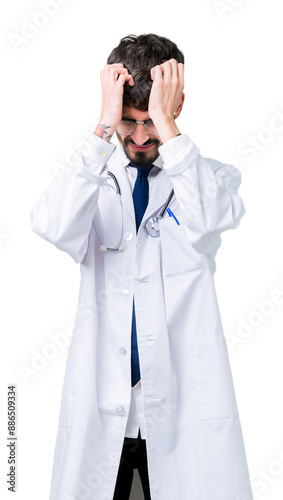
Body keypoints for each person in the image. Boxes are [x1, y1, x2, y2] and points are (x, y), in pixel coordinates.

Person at [30, 34, 254, 500]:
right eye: (127, 123)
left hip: (181, 408)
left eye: (151, 120)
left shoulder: (206, 178)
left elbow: (211, 219)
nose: (139, 137)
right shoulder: (94, 180)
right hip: (104, 404)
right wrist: (101, 128)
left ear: (176, 107)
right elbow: (51, 224)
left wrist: (169, 128)